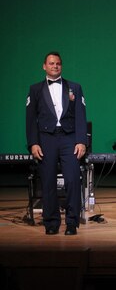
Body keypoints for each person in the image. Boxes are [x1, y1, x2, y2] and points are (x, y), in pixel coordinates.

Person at [25, 52, 88, 236]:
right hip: (46, 139)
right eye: (51, 63)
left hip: (69, 139)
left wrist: (81, 141)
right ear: (44, 66)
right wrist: (33, 143)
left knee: (72, 180)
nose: (55, 66)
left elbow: (80, 117)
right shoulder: (35, 89)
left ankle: (71, 222)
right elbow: (30, 120)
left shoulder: (74, 88)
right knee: (48, 182)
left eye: (58, 63)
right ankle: (51, 222)